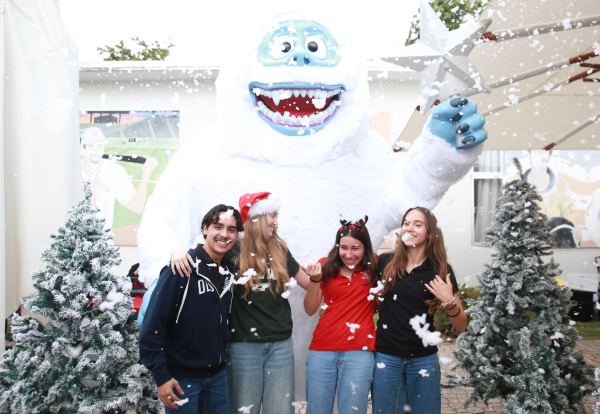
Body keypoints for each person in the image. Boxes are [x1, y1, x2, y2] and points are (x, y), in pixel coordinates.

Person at [170, 192, 310, 414]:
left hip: (281, 344)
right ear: (257, 219)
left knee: (280, 409)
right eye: (272, 216)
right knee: (244, 409)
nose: (276, 221)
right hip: (243, 345)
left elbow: (308, 282)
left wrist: (326, 271)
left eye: (276, 216)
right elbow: (203, 251)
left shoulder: (280, 249)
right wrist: (177, 250)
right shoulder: (232, 250)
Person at [139, 204, 243, 414]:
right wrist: (161, 376)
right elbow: (152, 327)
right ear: (205, 228)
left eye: (231, 229)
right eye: (218, 226)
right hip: (182, 379)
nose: (224, 234)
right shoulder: (181, 268)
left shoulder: (229, 273)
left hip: (218, 377)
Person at [371, 207, 467, 414]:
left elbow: (461, 325)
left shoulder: (441, 270)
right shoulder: (385, 263)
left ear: (430, 233)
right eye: (406, 222)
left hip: (423, 359)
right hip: (387, 358)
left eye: (418, 224)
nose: (410, 228)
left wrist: (448, 301)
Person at [303, 217, 377, 414]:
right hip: (321, 351)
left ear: (365, 247)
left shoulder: (376, 267)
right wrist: (315, 280)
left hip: (359, 353)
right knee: (317, 410)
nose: (349, 254)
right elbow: (311, 309)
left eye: (356, 248)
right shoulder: (324, 266)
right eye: (343, 248)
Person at [80, 126, 157, 230]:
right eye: (91, 146)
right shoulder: (73, 171)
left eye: (99, 146)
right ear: (83, 148)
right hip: (76, 238)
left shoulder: (114, 171)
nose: (96, 151)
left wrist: (146, 173)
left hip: (104, 238)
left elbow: (136, 207)